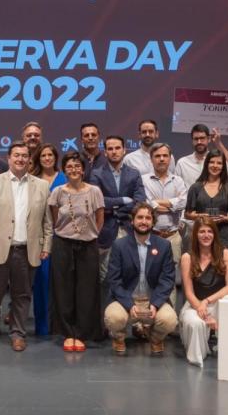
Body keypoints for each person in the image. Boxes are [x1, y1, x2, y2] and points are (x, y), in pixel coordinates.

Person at [0, 142, 53, 352]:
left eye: (24, 156)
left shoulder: (42, 186)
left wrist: (46, 245)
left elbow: (47, 221)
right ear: (9, 158)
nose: (20, 159)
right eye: (16, 155)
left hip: (27, 250)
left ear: (30, 159)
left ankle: (18, 334)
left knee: (22, 296)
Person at [104, 203, 178, 356]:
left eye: (148, 218)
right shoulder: (119, 245)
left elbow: (167, 279)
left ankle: (155, 338)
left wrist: (156, 304)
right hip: (126, 300)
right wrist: (129, 304)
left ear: (153, 222)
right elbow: (114, 279)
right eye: (140, 217)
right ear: (132, 221)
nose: (143, 221)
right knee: (113, 318)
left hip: (153, 301)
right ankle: (118, 337)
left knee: (170, 320)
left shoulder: (164, 246)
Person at [48, 152, 104, 352]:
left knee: (86, 291)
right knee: (63, 290)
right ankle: (67, 333)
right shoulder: (58, 192)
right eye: (69, 166)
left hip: (88, 245)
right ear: (64, 169)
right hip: (63, 244)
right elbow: (55, 220)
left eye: (77, 166)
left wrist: (90, 234)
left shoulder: (94, 191)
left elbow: (99, 218)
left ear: (83, 169)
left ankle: (82, 333)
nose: (73, 169)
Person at [179, 215, 228, 366]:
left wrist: (207, 301)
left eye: (210, 231)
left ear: (215, 234)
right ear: (195, 235)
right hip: (195, 304)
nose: (206, 235)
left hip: (217, 302)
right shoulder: (187, 258)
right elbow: (189, 293)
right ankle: (199, 357)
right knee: (196, 323)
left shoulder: (225, 254)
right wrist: (201, 309)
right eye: (202, 232)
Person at [91, 135, 147, 283]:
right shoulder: (96, 174)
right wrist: (122, 200)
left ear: (124, 150)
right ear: (105, 152)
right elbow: (97, 201)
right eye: (110, 149)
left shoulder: (134, 173)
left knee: (129, 275)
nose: (114, 151)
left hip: (129, 229)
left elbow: (140, 202)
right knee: (105, 278)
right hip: (106, 232)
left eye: (117, 148)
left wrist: (114, 209)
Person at [142, 142, 188, 303]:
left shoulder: (178, 181)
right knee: (146, 276)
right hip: (150, 236)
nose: (161, 159)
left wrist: (157, 204)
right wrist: (171, 205)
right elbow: (147, 204)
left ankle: (169, 321)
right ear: (151, 159)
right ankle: (145, 321)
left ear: (170, 158)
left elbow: (183, 203)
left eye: (165, 156)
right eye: (157, 156)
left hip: (172, 236)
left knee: (171, 279)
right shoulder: (143, 180)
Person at [30, 142, 66, 337]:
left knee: (60, 284)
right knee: (41, 283)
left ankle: (59, 325)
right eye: (43, 155)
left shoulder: (65, 178)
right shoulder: (32, 180)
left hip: (62, 236)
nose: (46, 158)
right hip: (39, 237)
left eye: (50, 155)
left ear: (55, 158)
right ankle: (42, 326)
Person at [185, 149, 228, 253]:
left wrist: (224, 218)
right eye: (212, 162)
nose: (215, 166)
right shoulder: (196, 187)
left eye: (219, 163)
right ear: (207, 164)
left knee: (224, 266)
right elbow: (187, 214)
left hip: (223, 236)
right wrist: (201, 216)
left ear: (223, 166)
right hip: (201, 234)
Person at [175, 123, 224, 187]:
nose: (199, 142)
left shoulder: (219, 161)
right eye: (196, 139)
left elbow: (227, 185)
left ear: (209, 139)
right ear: (192, 141)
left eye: (202, 138)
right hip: (188, 197)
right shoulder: (182, 163)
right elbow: (175, 188)